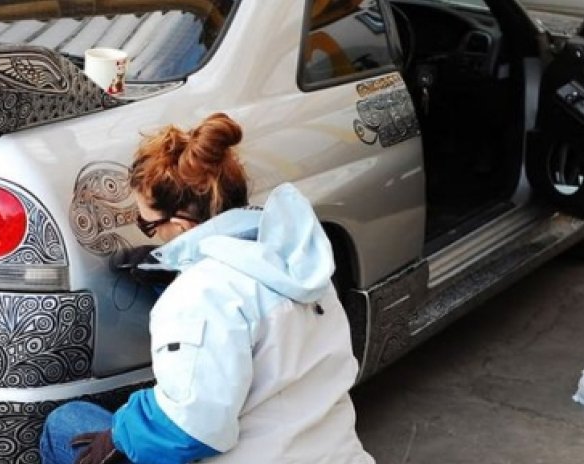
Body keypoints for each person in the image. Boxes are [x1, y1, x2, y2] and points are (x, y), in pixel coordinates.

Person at [39, 113, 374, 464]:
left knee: (67, 422)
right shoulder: (301, 265)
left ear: (181, 226)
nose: (150, 234)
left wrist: (119, 432)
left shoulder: (200, 296)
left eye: (148, 225)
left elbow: (189, 430)